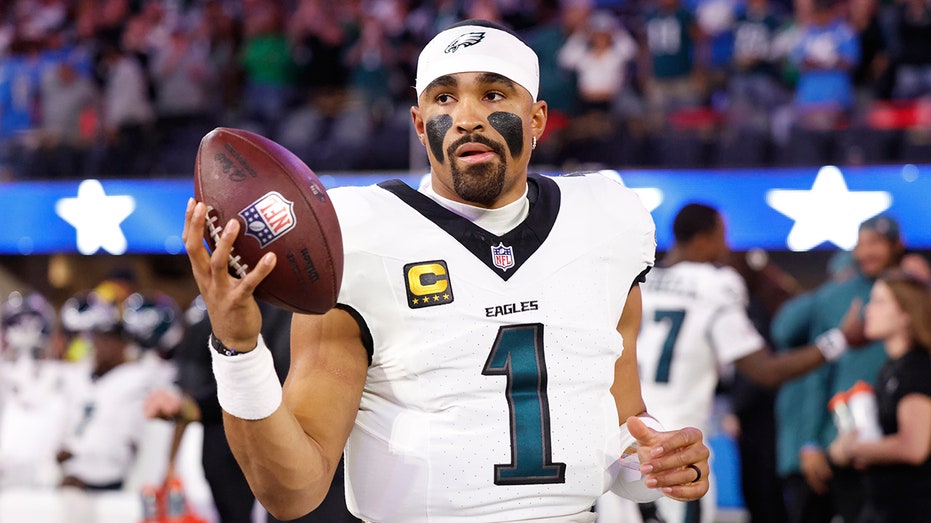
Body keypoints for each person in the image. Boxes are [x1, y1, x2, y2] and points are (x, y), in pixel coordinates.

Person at [183, 19, 711, 523]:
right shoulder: (358, 236)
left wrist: (658, 461)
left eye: (494, 94)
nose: (467, 117)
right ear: (419, 125)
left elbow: (622, 428)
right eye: (444, 98)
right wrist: (238, 351)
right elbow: (291, 491)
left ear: (537, 119)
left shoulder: (604, 219)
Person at [600, 203, 862, 523]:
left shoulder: (639, 279)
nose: (727, 246)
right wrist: (838, 341)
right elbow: (766, 370)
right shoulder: (716, 283)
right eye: (722, 236)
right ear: (702, 240)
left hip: (621, 438)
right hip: (677, 444)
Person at [144, 296, 359, 523]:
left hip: (344, 474)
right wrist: (194, 406)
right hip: (289, 474)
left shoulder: (350, 302)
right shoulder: (280, 308)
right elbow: (260, 385)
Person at [789, 214, 909, 523]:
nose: (866, 252)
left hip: (905, 443)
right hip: (845, 439)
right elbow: (812, 366)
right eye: (861, 244)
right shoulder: (835, 295)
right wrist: (810, 441)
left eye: (876, 243)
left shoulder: (917, 291)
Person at [827, 270, 931, 522]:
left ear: (906, 314)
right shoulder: (890, 369)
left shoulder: (918, 368)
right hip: (884, 505)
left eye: (879, 302)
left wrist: (852, 448)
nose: (868, 310)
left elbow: (914, 447)